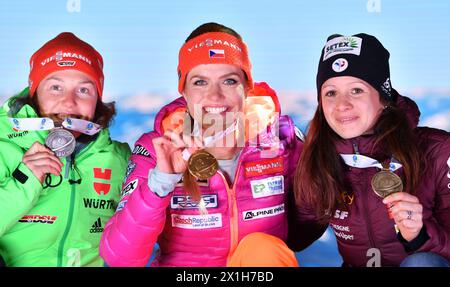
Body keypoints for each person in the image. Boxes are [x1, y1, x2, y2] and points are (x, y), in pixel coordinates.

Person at [99, 22, 303, 267]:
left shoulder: (281, 139)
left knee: (264, 249)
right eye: (200, 82)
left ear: (247, 87)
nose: (215, 96)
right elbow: (121, 258)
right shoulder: (158, 147)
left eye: (228, 81)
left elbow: (311, 215)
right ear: (183, 90)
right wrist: (161, 182)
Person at [289, 33, 450, 267]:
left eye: (356, 90)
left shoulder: (437, 151)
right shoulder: (318, 156)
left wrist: (421, 235)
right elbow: (294, 239)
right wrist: (286, 175)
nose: (342, 105)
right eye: (331, 93)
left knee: (421, 263)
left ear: (384, 98)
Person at [0, 32, 131, 266]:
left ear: (97, 100)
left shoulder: (119, 158)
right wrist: (23, 180)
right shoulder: (4, 145)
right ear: (35, 93)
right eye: (56, 87)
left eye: (83, 90)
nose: (69, 102)